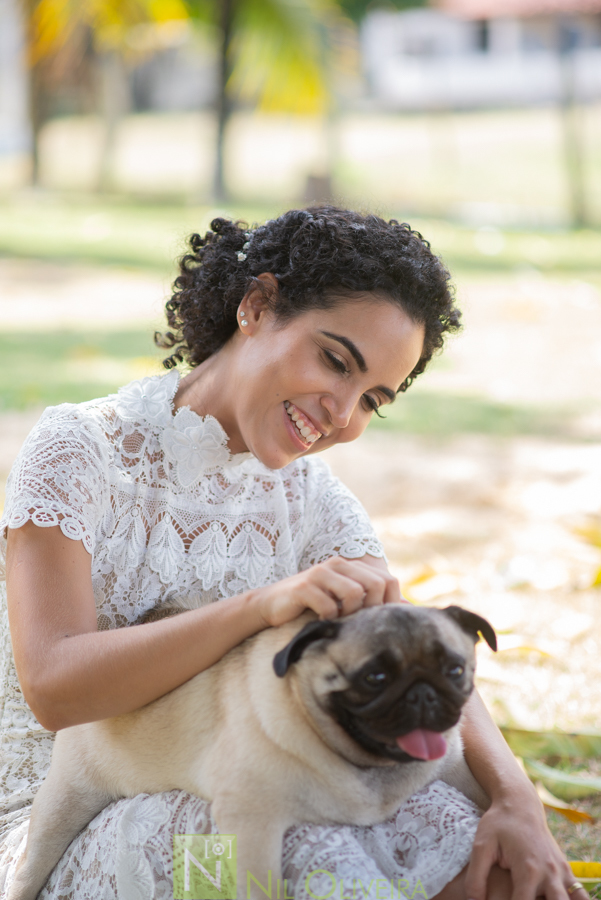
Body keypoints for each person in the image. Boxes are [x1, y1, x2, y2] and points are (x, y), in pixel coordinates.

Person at [0, 207, 585, 900]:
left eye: (372, 398)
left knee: (473, 849)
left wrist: (514, 801)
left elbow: (410, 646)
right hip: (74, 805)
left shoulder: (313, 499)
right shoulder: (81, 451)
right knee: (301, 849)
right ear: (256, 305)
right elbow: (56, 691)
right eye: (335, 361)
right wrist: (257, 608)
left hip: (273, 776)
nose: (341, 413)